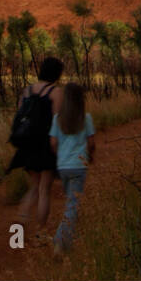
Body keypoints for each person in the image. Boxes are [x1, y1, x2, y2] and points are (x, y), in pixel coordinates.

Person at [8, 57, 65, 239]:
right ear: (57, 73)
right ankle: (41, 231)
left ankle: (21, 220)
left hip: (27, 144)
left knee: (34, 186)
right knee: (44, 189)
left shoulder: (27, 90)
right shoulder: (55, 92)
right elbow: (58, 121)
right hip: (45, 144)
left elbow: (20, 116)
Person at [49, 82, 95, 253]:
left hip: (63, 166)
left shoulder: (57, 119)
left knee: (70, 201)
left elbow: (53, 142)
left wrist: (60, 156)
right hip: (79, 165)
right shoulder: (86, 118)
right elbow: (91, 143)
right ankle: (60, 241)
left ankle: (68, 240)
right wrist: (90, 157)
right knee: (73, 205)